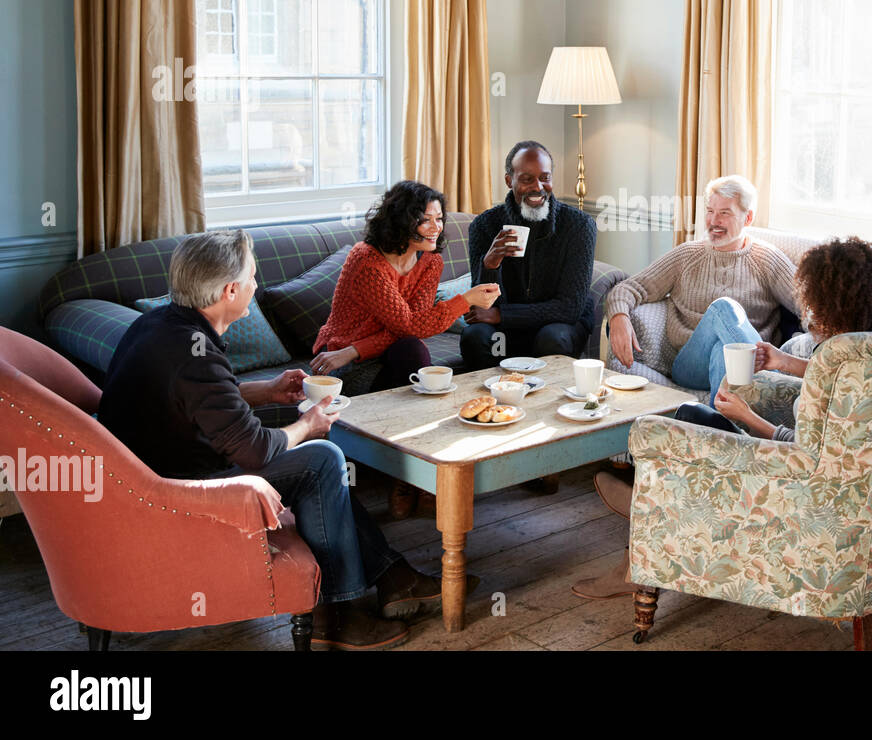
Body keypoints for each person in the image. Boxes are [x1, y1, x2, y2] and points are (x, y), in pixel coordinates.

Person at [98, 230, 458, 649]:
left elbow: (196, 398)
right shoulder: (192, 352)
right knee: (321, 458)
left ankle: (392, 578)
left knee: (313, 465)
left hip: (150, 472)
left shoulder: (162, 325)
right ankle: (339, 615)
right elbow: (253, 449)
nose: (256, 285)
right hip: (176, 489)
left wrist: (267, 390)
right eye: (252, 276)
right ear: (230, 290)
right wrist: (310, 425)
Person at [571, 237, 872, 600]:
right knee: (695, 410)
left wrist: (747, 417)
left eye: (810, 297)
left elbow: (806, 449)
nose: (805, 307)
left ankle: (644, 521)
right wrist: (785, 361)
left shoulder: (839, 361)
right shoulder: (865, 353)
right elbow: (827, 388)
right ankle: (650, 503)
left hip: (791, 480)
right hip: (821, 479)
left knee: (676, 422)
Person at [311, 181, 501, 519]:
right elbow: (411, 324)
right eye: (425, 219)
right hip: (339, 362)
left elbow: (414, 324)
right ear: (401, 220)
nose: (436, 227)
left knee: (414, 354)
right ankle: (407, 478)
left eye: (439, 218)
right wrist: (466, 300)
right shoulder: (366, 261)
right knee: (414, 354)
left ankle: (412, 478)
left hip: (369, 352)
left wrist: (357, 348)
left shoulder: (429, 262)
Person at [605, 174, 799, 406]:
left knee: (723, 350)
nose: (713, 221)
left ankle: (720, 427)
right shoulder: (687, 255)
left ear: (747, 218)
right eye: (709, 211)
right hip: (690, 366)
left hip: (741, 370)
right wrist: (618, 317)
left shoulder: (767, 259)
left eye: (724, 213)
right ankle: (774, 388)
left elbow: (809, 303)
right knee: (724, 308)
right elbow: (628, 288)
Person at [460, 141, 598, 371]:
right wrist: (490, 264)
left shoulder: (579, 226)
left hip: (557, 326)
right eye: (526, 179)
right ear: (508, 180)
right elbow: (482, 306)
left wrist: (502, 315)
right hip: (505, 334)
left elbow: (570, 307)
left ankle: (546, 404)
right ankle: (494, 401)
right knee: (476, 336)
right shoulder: (484, 226)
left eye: (545, 178)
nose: (538, 187)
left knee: (552, 338)